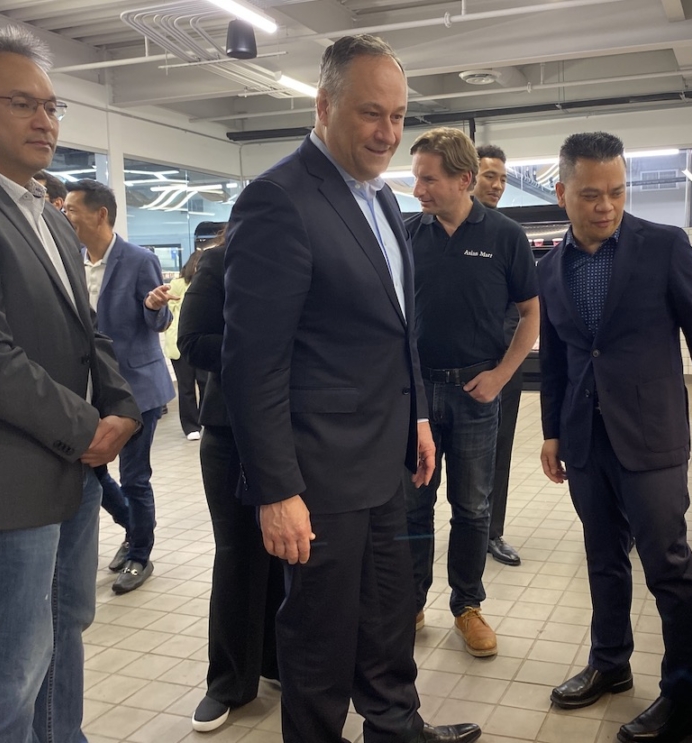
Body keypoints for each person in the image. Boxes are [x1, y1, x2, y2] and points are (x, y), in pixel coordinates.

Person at [221, 35, 480, 743]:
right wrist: (277, 489)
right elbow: (253, 363)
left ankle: (397, 728)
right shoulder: (279, 199)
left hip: (384, 460)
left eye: (397, 116)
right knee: (320, 637)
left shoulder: (382, 198)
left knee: (388, 616)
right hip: (318, 475)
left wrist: (417, 418)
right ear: (324, 105)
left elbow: (398, 330)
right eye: (371, 113)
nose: (388, 132)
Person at [0, 27, 141, 742]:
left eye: (52, 107)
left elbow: (88, 331)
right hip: (5, 472)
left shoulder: (48, 219)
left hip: (70, 467)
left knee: (65, 626)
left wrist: (122, 405)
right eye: (23, 103)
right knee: (11, 654)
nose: (45, 121)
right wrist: (89, 428)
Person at [538, 132, 692, 743]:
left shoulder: (664, 246)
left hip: (650, 435)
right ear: (562, 192)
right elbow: (557, 358)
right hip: (585, 436)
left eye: (618, 192)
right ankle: (610, 663)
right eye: (591, 194)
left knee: (668, 566)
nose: (606, 206)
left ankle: (684, 698)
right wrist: (552, 432)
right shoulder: (550, 266)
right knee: (603, 557)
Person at [405, 128, 538, 657]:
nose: (418, 190)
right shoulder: (406, 235)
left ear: (463, 180)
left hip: (476, 393)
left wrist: (502, 375)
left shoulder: (505, 236)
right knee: (413, 505)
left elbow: (530, 314)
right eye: (415, 178)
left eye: (428, 180)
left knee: (473, 506)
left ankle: (467, 605)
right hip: (416, 397)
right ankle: (410, 602)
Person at [178, 238, 285, 732]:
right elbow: (193, 341)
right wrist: (264, 348)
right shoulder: (221, 261)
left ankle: (277, 660)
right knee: (239, 554)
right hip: (232, 431)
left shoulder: (312, 257)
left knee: (291, 555)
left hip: (299, 430)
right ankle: (228, 681)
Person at [65, 178, 175, 594]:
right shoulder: (71, 259)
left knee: (135, 476)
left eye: (72, 210)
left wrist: (152, 306)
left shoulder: (138, 259)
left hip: (136, 387)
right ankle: (133, 527)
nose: (66, 216)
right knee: (90, 469)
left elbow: (159, 321)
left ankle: (139, 555)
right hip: (89, 389)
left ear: (100, 214)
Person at [471, 144, 522, 567]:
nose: (498, 185)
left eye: (503, 179)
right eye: (491, 176)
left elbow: (525, 309)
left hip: (501, 366)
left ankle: (492, 532)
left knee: (498, 451)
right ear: (466, 175)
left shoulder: (507, 235)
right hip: (441, 370)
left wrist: (502, 366)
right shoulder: (429, 230)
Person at [165, 249, 207, 440]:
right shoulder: (177, 285)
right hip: (179, 343)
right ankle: (191, 426)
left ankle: (206, 419)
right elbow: (168, 312)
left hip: (201, 342)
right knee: (186, 387)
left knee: (205, 383)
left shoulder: (209, 283)